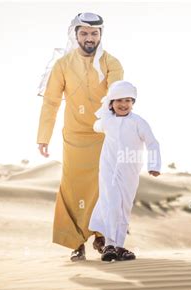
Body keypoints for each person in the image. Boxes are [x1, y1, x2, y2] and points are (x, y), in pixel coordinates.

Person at [36, 13, 124, 261]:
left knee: (103, 186)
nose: (89, 38)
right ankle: (75, 242)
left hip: (102, 134)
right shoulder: (62, 64)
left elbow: (116, 97)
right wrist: (44, 136)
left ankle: (102, 236)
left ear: (100, 35)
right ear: (75, 35)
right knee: (72, 188)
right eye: (84, 33)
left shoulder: (111, 63)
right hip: (74, 135)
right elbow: (51, 102)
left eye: (94, 33)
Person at [89, 81, 161, 262]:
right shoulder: (107, 121)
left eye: (128, 100)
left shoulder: (138, 122)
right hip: (108, 170)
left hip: (130, 171)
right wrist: (105, 109)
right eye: (119, 100)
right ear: (111, 103)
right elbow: (95, 126)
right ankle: (109, 245)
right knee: (111, 203)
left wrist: (153, 165)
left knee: (124, 208)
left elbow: (152, 143)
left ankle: (119, 246)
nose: (124, 104)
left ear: (133, 103)